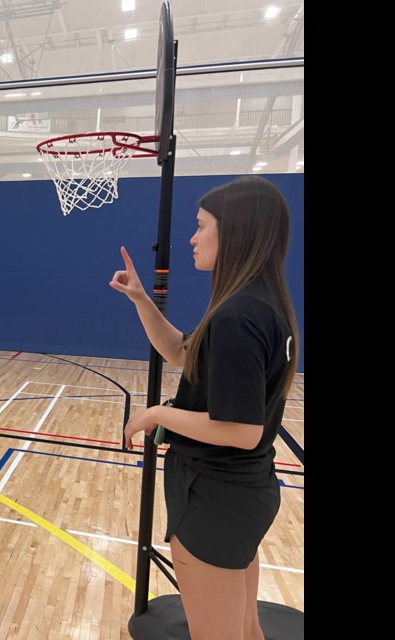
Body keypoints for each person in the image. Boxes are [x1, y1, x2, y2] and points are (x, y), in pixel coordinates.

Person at [111, 175, 298, 640]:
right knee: (245, 629)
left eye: (200, 226)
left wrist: (156, 414)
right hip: (242, 491)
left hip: (215, 496)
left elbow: (239, 430)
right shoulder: (252, 303)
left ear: (234, 231)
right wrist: (140, 300)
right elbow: (180, 351)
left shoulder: (239, 316)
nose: (192, 238)